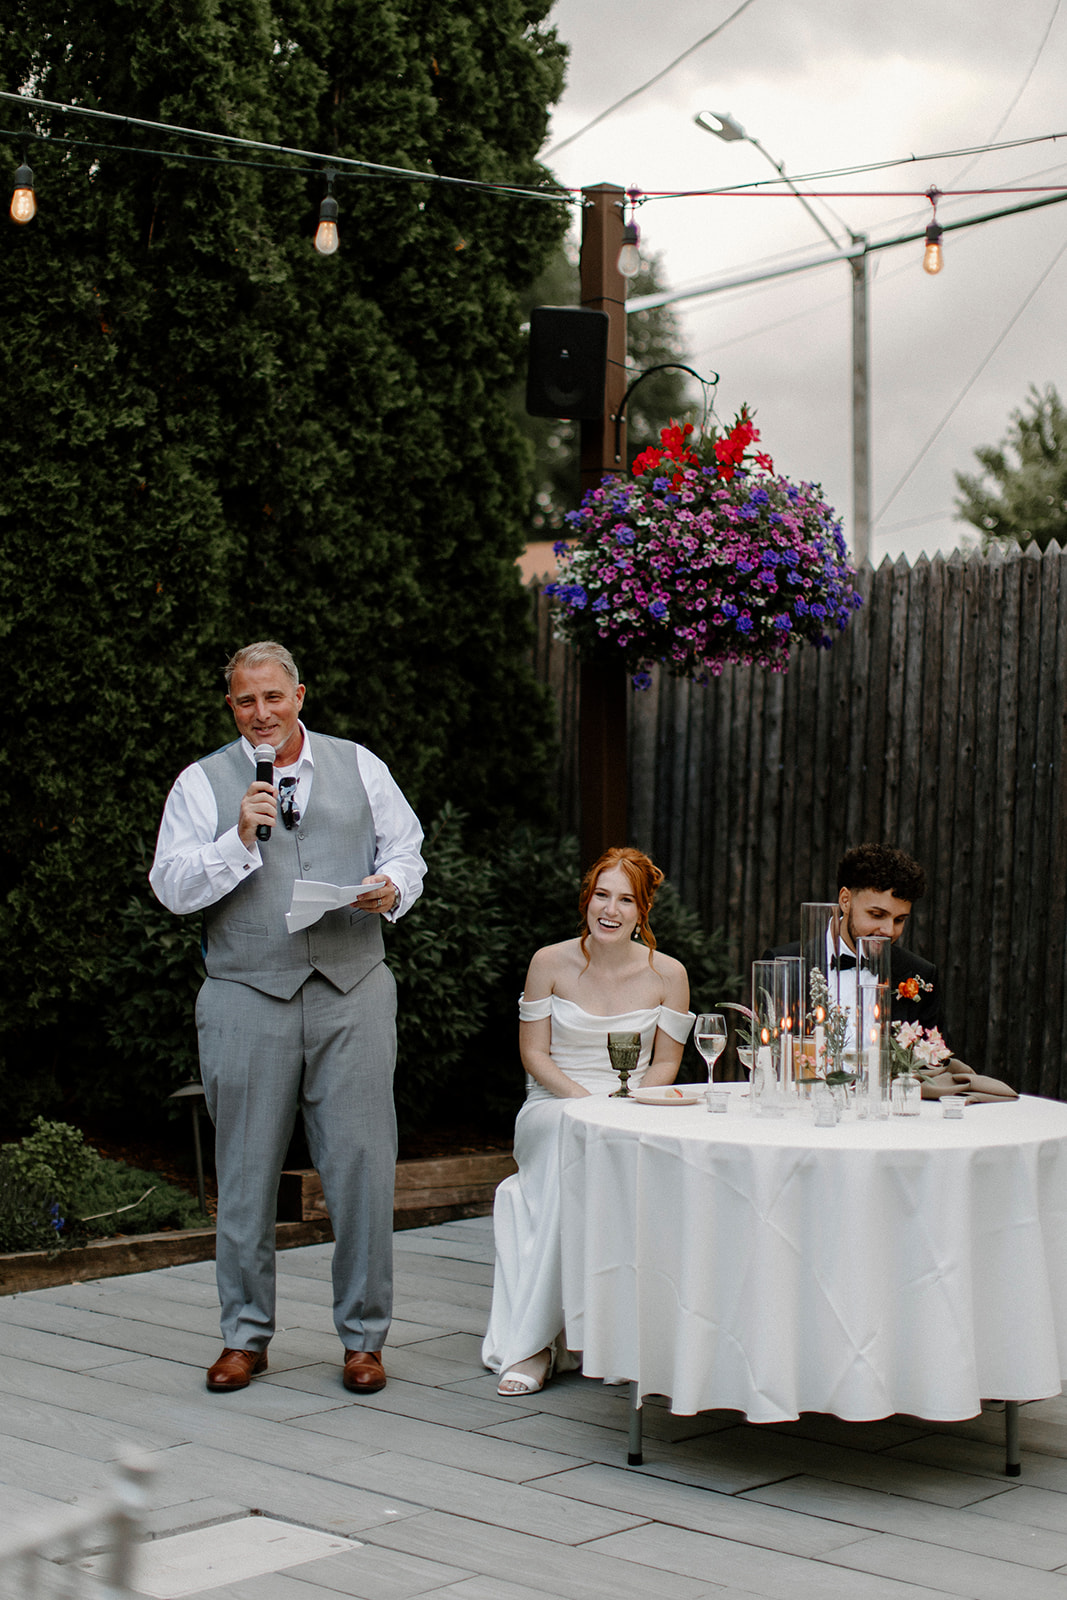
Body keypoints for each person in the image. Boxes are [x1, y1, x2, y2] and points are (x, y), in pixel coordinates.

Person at [150, 640, 425, 1396]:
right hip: (245, 994)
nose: (261, 713)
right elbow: (171, 886)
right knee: (244, 1175)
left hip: (352, 988)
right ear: (231, 707)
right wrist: (237, 839)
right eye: (245, 701)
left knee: (363, 1169)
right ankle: (244, 1337)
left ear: (299, 695)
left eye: (273, 697)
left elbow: (408, 850)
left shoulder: (359, 764)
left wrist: (389, 888)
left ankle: (364, 1340)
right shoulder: (201, 784)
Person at [482, 846, 693, 1397]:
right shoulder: (548, 963)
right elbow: (535, 1055)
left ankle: (607, 1337)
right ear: (587, 898)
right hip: (553, 1106)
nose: (612, 909)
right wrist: (583, 1104)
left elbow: (667, 1063)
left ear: (643, 911)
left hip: (633, 1107)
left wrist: (623, 1108)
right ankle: (531, 1344)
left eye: (627, 899)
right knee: (564, 1139)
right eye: (603, 894)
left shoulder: (668, 975)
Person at [766, 842, 942, 1034]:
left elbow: (934, 1056)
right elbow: (757, 1051)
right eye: (877, 914)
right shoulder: (782, 965)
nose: (889, 931)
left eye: (899, 920)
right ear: (845, 900)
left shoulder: (920, 975)